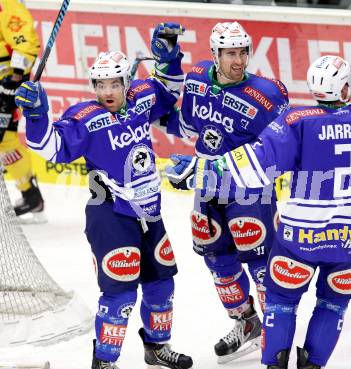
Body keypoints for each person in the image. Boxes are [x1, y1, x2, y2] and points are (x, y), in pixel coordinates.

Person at [166, 55, 351, 369]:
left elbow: (253, 166)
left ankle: (275, 364)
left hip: (301, 233)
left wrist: (201, 170)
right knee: (333, 303)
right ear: (346, 86)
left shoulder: (296, 121)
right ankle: (312, 365)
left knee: (281, 301)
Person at [15, 23, 193, 369]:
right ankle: (105, 361)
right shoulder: (85, 118)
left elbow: (169, 92)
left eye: (114, 83)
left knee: (161, 284)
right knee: (121, 292)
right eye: (100, 85)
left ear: (126, 82)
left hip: (149, 213)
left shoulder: (141, 98)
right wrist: (37, 115)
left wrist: (170, 61)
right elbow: (48, 146)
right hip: (110, 216)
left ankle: (156, 347)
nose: (107, 91)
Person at [165, 21, 289, 363]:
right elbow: (185, 125)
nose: (238, 61)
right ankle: (247, 324)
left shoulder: (267, 94)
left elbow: (283, 145)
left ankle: (276, 334)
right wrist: (168, 66)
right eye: (230, 53)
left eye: (242, 52)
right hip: (207, 189)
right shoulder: (198, 79)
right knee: (218, 263)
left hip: (250, 192)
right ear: (214, 54)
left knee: (262, 266)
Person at [0, 0, 44, 221]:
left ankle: (31, 195)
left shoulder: (8, 7)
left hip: (4, 87)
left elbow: (26, 44)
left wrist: (13, 82)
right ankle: (31, 195)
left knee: (5, 141)